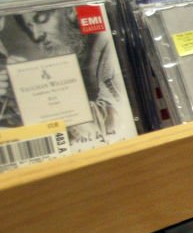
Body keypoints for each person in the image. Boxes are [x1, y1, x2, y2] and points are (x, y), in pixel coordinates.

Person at [9, 8, 126, 143]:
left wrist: (35, 96)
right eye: (30, 28)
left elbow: (114, 124)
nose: (36, 35)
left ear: (70, 10)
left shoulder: (110, 45)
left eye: (41, 19)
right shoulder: (73, 55)